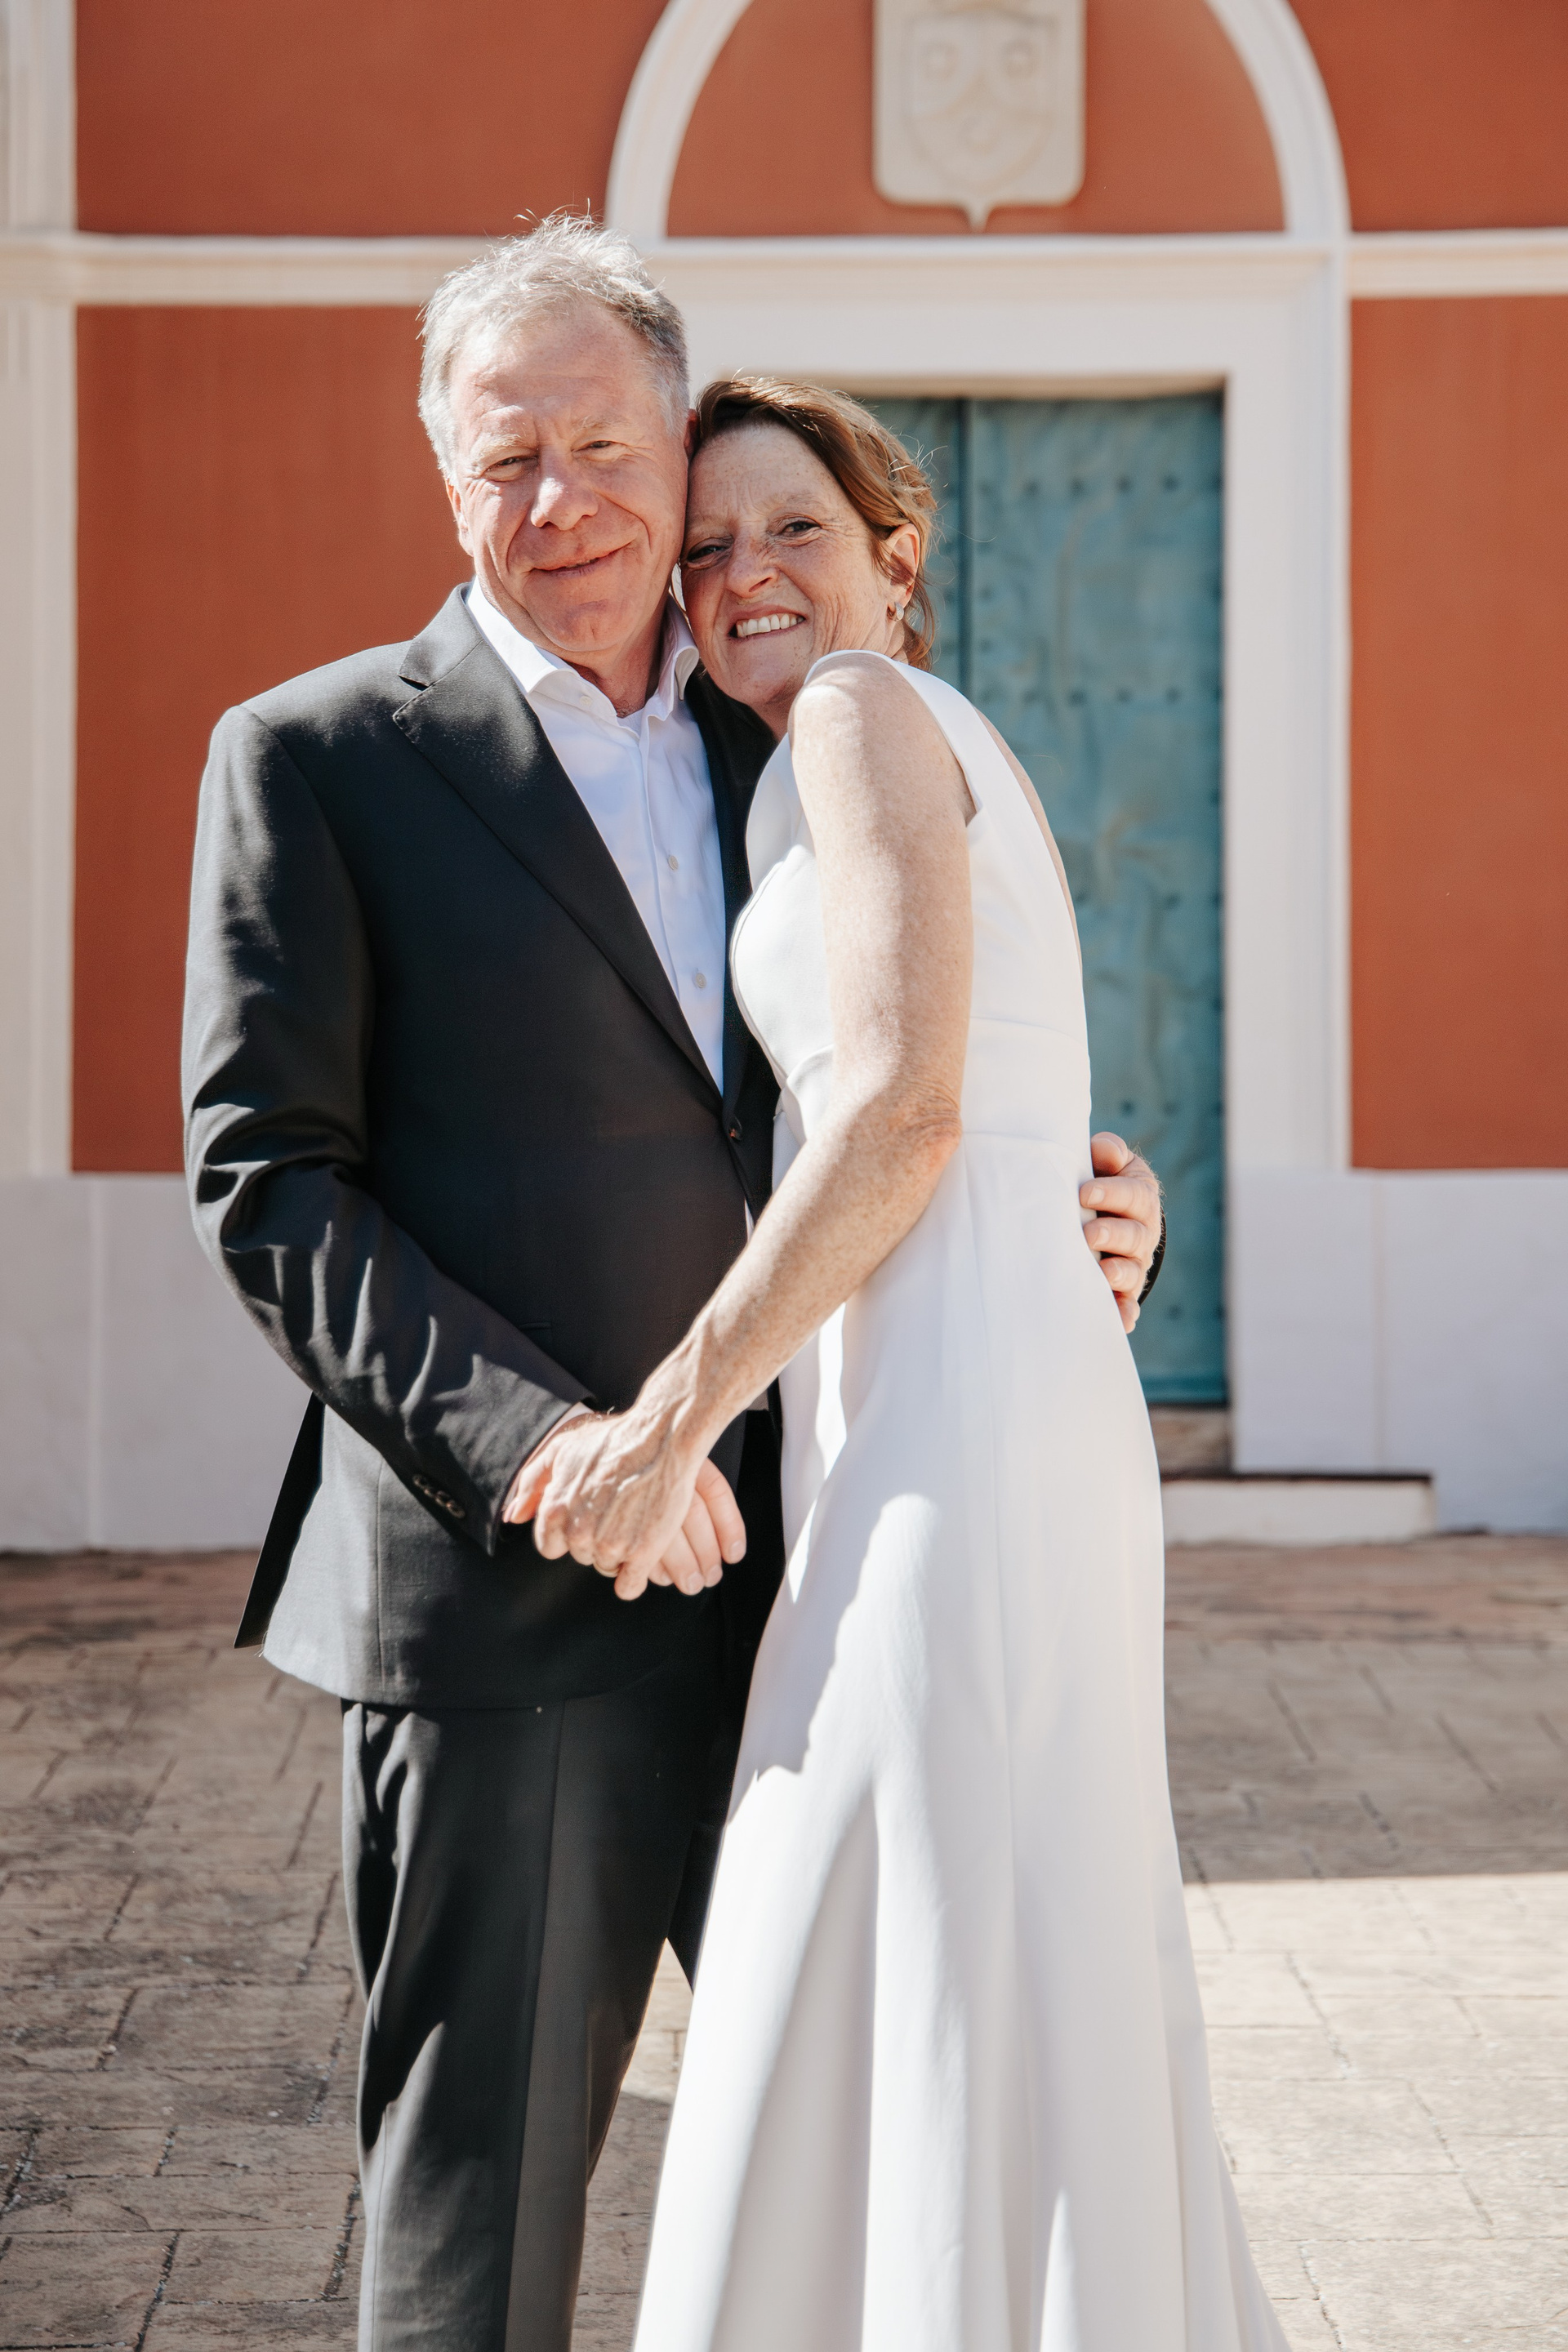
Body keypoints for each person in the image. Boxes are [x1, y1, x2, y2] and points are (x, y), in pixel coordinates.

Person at [181, 221, 1165, 2351]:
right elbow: (270, 1186)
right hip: (507, 1608)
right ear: (445, 475)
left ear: (675, 434)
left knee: (887, 2157)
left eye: (607, 446)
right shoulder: (317, 759)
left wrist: (1090, 1211)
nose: (566, 501)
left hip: (823, 1583)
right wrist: (551, 1450)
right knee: (488, 2225)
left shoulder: (788, 730)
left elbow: (910, 1078)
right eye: (507, 455)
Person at [515, 379, 1285, 2351]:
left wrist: (668, 1420)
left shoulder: (862, 712)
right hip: (946, 1398)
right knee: (968, 1927)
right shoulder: (850, 749)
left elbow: (907, 1114)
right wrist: (1093, 1219)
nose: (740, 572)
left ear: (896, 557)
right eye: (707, 547)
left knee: (935, 1917)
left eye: (792, 527)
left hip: (963, 1424)